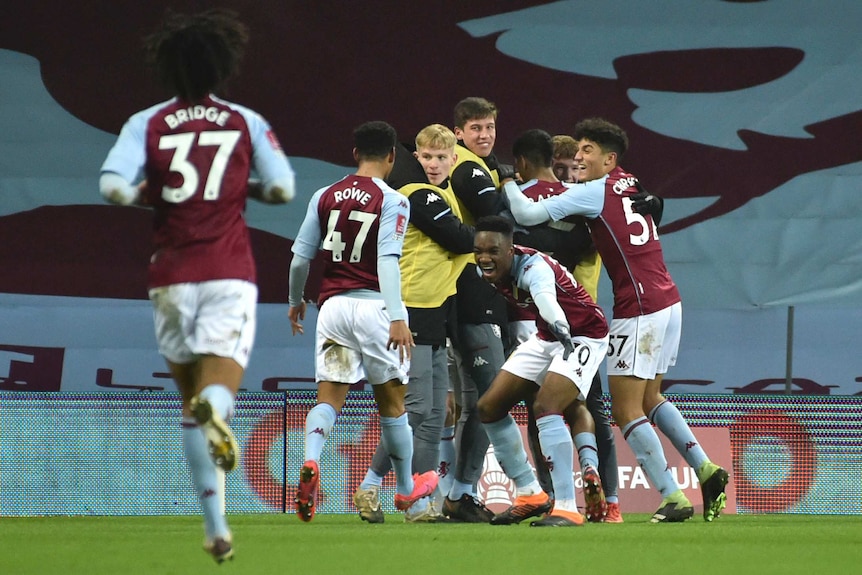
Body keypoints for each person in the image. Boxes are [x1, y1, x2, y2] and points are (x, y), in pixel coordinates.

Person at [98, 9, 296, 563]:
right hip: (229, 273)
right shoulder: (244, 121)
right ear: (222, 64)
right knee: (214, 396)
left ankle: (215, 529)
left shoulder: (147, 122)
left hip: (169, 275)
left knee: (190, 406)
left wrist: (148, 195)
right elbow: (282, 189)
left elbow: (111, 184)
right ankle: (216, 411)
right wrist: (241, 191)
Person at [502, 118, 729, 523]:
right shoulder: (629, 181)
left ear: (609, 158)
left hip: (639, 307)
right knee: (651, 397)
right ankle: (705, 469)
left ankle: (673, 497)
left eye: (588, 151)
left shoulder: (595, 191)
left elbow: (526, 212)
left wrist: (505, 181)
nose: (579, 156)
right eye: (579, 150)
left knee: (626, 410)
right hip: (668, 299)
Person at [287, 120, 438, 523]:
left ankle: (312, 461)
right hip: (374, 307)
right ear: (392, 156)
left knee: (330, 398)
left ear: (355, 154)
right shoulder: (393, 200)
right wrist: (398, 316)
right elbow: (388, 260)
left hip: (332, 309)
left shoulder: (324, 195)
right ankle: (408, 494)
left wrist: (295, 301)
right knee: (393, 404)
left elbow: (301, 257)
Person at [353, 124, 474, 523]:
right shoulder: (414, 196)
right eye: (427, 157)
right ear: (415, 159)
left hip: (435, 314)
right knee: (418, 413)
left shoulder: (445, 197)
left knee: (433, 415)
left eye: (442, 157)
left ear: (454, 160)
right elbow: (460, 241)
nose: (435, 164)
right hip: (411, 313)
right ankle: (411, 501)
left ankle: (380, 490)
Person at [473, 215, 610, 527]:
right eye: (479, 250)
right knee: (489, 407)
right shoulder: (487, 270)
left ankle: (566, 507)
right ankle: (530, 494)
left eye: (493, 251)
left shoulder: (534, 268)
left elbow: (547, 299)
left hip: (582, 334)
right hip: (547, 336)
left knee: (547, 406)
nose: (484, 257)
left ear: (511, 250)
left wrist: (559, 324)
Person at [438, 97, 512, 522]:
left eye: (490, 127)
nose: (484, 135)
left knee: (469, 405)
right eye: (476, 128)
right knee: (490, 400)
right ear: (459, 133)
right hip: (472, 294)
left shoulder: (477, 165)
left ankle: (454, 494)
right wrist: (508, 188)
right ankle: (455, 493)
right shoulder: (466, 167)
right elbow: (500, 218)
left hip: (472, 293)